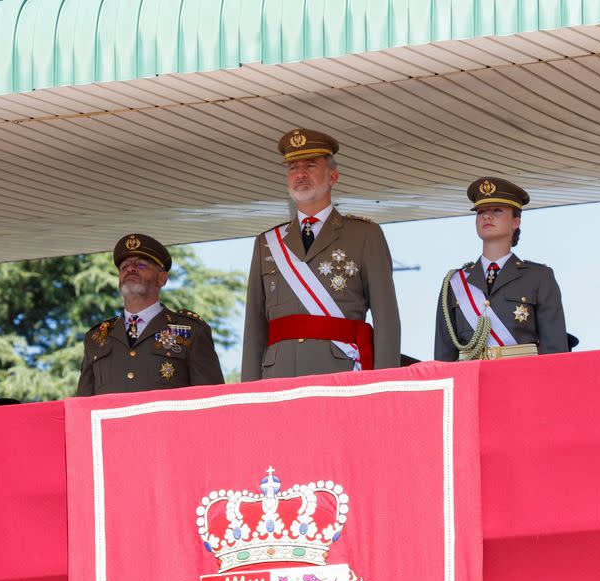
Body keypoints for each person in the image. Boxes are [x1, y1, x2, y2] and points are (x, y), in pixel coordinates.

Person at [241, 129, 401, 381]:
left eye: (310, 165)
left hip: (341, 374)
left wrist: (384, 385)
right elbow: (254, 330)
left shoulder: (365, 235)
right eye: (293, 167)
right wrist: (248, 393)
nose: (300, 174)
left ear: (333, 176)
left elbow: (387, 320)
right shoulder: (267, 243)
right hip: (277, 377)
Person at [434, 177, 568, 360]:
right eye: (481, 212)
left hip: (521, 382)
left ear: (516, 222)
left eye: (497, 210)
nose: (486, 216)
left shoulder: (539, 277)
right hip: (472, 384)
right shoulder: (455, 282)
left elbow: (555, 351)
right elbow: (444, 356)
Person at [76, 234, 224, 396]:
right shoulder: (96, 338)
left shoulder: (192, 332)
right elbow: (83, 407)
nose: (131, 269)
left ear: (162, 278)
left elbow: (211, 402)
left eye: (141, 265)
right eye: (124, 267)